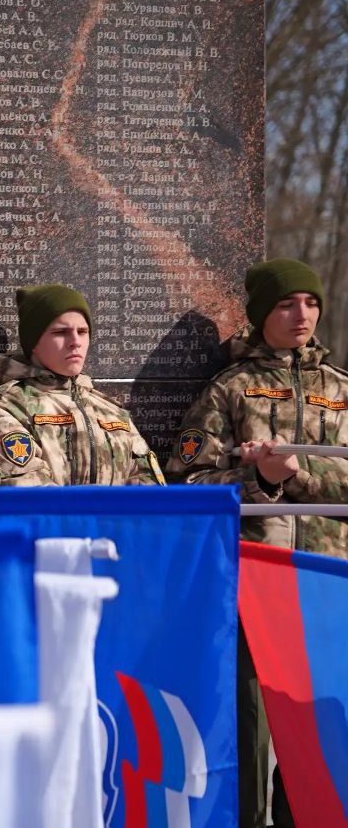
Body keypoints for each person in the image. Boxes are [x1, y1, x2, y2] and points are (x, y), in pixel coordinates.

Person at [169, 258, 346, 828]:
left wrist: (295, 474)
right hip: (254, 580)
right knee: (250, 723)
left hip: (326, 577)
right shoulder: (230, 390)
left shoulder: (341, 390)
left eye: (311, 303)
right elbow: (187, 479)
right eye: (287, 304)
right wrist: (260, 481)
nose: (303, 315)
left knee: (317, 733)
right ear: (260, 315)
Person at [0, 285, 164, 486]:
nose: (75, 342)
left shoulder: (111, 410)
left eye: (82, 331)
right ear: (34, 343)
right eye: (61, 332)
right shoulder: (6, 407)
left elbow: (150, 488)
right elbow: (27, 489)